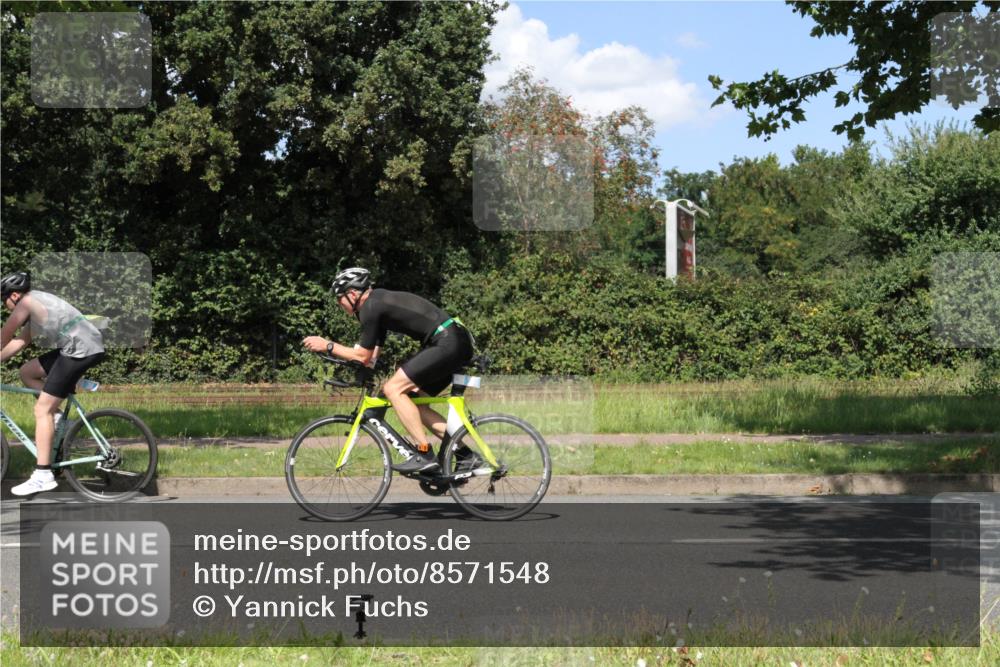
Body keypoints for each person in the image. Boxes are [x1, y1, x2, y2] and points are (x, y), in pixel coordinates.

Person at [302, 267, 474, 473]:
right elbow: (371, 357)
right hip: (454, 341)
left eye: (340, 299)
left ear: (353, 294)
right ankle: (466, 456)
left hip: (446, 342)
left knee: (394, 389)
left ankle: (424, 454)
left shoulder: (371, 306)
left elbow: (362, 356)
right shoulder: (377, 303)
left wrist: (328, 345)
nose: (339, 305)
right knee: (415, 402)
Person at [0, 272, 106, 495]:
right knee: (27, 372)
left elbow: (5, 335)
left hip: (79, 351)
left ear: (15, 295)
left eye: (4, 299)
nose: (4, 304)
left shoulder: (26, 302)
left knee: (41, 410)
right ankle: (59, 420)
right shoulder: (36, 304)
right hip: (79, 347)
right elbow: (19, 342)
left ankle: (43, 474)